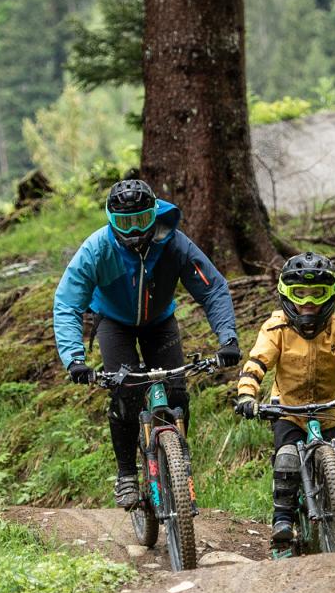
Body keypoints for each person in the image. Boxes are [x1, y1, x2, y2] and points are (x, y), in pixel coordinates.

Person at [53, 178, 242, 508]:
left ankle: (178, 465)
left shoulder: (174, 244)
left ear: (154, 215)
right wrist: (74, 358)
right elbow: (67, 303)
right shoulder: (97, 250)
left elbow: (212, 289)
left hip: (160, 322)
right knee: (125, 391)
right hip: (114, 323)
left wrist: (227, 338)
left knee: (178, 391)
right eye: (125, 223)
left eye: (141, 220)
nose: (135, 230)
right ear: (111, 221)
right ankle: (126, 474)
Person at [233, 251, 335, 556]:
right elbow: (257, 362)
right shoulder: (276, 327)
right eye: (300, 294)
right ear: (287, 294)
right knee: (286, 459)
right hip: (288, 410)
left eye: (317, 294)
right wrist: (247, 394)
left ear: (331, 295)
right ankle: (283, 526)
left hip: (328, 410)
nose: (308, 303)